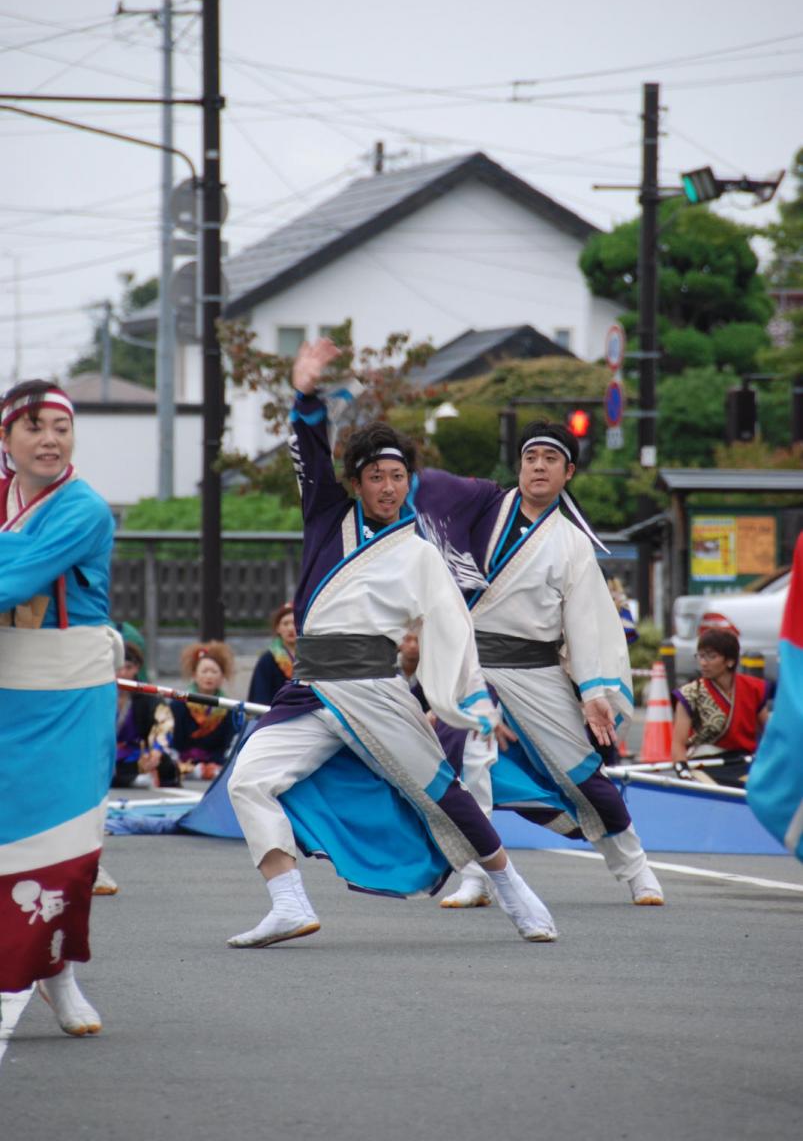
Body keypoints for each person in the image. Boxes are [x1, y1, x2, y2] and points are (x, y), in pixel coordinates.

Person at [226, 337, 557, 948]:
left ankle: (515, 891)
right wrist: (304, 393)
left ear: (410, 482)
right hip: (309, 689)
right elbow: (307, 447)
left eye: (397, 476)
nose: (387, 486)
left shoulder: (419, 553)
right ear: (354, 482)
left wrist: (471, 702)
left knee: (442, 796)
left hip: (375, 689)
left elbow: (451, 636)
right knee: (247, 779)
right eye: (375, 476)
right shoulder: (327, 515)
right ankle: (288, 901)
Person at [410, 419, 665, 908]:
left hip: (536, 669)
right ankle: (475, 876)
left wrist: (593, 694)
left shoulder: (572, 543)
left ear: (568, 471)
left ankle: (636, 870)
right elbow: (428, 486)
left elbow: (586, 625)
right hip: (474, 665)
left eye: (550, 460)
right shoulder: (485, 503)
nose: (539, 468)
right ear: (520, 466)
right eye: (531, 459)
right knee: (466, 765)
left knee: (582, 773)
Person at [0, 379, 120, 1036]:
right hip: (4, 692)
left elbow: (14, 577)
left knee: (69, 854)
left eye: (61, 427)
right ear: (5, 438)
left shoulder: (84, 509)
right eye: (33, 426)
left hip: (71, 694)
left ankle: (58, 972)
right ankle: (45, 974)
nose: (50, 439)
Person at [671, 627, 770, 786]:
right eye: (701, 656)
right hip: (704, 764)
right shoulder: (690, 694)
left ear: (730, 661)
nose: (703, 662)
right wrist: (682, 769)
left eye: (711, 656)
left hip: (745, 762)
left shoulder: (752, 689)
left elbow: (770, 732)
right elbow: (678, 743)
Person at [114, 640, 178, 789]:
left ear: (137, 668)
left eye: (128, 668)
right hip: (106, 754)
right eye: (118, 668)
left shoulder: (147, 695)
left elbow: (164, 722)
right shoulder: (99, 694)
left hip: (138, 755)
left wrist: (157, 749)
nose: (123, 673)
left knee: (165, 762)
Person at [171, 640, 237, 779]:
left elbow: (229, 742)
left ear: (222, 676)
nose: (209, 676)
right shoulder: (179, 704)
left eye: (214, 671)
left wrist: (216, 763)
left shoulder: (230, 708)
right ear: (194, 675)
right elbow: (174, 741)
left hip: (217, 764)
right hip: (184, 762)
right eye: (204, 671)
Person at [247, 602, 297, 706]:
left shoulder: (309, 657)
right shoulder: (268, 659)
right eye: (285, 623)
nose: (290, 628)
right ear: (278, 628)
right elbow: (260, 696)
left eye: (294, 623)